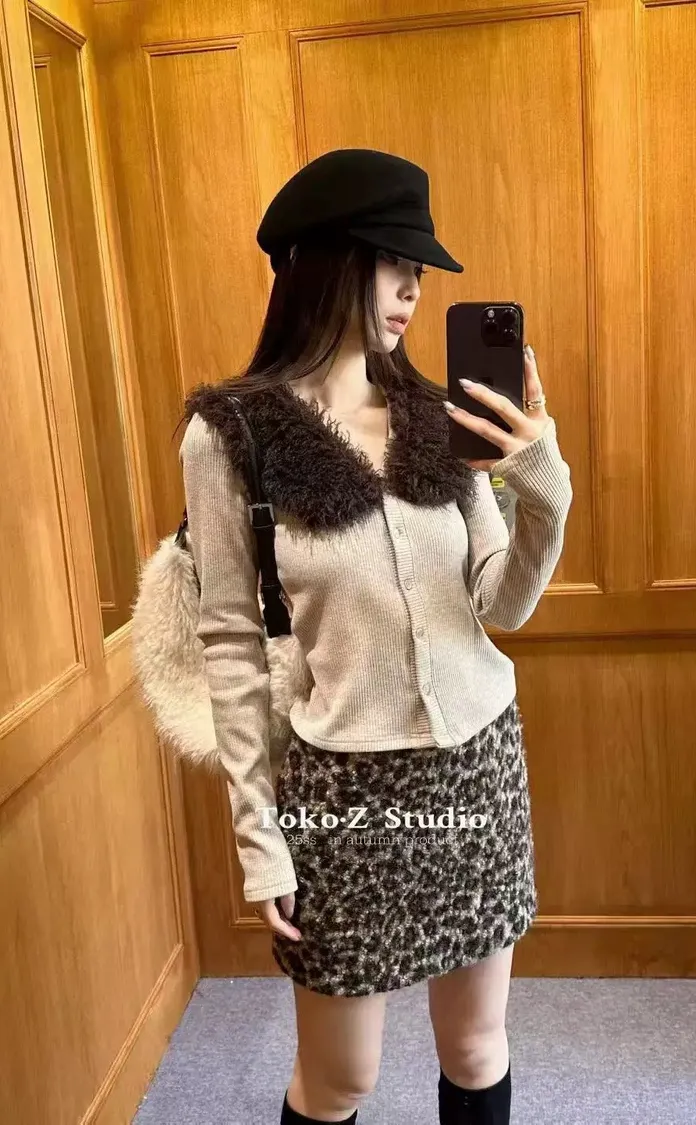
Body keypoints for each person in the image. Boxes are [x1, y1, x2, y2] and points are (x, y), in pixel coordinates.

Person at [178, 149, 572, 1125]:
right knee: (340, 1079)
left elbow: (502, 604)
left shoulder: (440, 416)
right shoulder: (232, 436)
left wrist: (544, 490)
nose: (413, 289)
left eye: (418, 268)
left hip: (477, 769)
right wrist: (260, 840)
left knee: (476, 1049)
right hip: (345, 796)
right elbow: (229, 644)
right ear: (325, 262)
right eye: (392, 261)